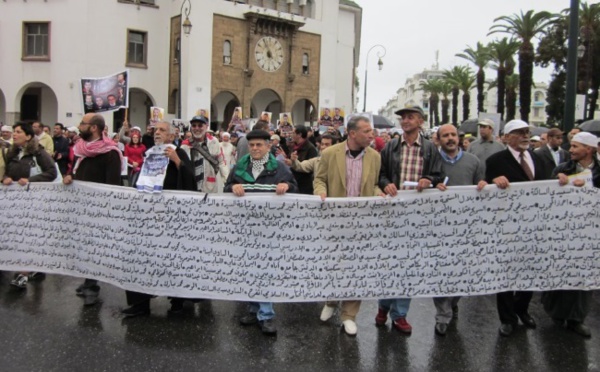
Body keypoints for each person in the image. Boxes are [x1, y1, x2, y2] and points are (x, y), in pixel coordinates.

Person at [314, 116, 385, 336]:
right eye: (366, 131)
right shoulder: (329, 153)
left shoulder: (375, 157)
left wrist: (378, 194)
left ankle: (349, 315)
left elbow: (373, 185)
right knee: (334, 263)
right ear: (352, 133)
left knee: (357, 268)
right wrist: (320, 192)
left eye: (371, 131)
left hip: (361, 223)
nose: (371, 135)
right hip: (335, 221)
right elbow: (319, 179)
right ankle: (331, 300)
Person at [377, 105, 444, 335]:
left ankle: (400, 314)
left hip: (417, 216)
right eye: (403, 117)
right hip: (392, 214)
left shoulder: (430, 149)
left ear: (420, 121)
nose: (405, 121)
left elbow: (438, 175)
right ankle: (383, 306)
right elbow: (381, 174)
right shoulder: (391, 146)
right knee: (389, 264)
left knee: (407, 266)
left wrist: (429, 179)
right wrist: (386, 184)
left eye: (410, 117)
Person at [224, 129, 298, 335]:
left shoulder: (280, 168)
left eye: (259, 145)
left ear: (268, 146)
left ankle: (266, 315)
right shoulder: (239, 167)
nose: (255, 149)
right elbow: (226, 188)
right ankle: (253, 308)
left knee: (265, 270)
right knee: (249, 269)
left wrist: (287, 186)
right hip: (246, 228)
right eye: (252, 145)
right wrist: (233, 188)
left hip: (269, 229)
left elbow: (295, 188)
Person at [122, 121, 196, 317]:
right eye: (156, 130)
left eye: (162, 130)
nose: (157, 133)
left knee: (173, 260)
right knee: (142, 257)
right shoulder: (150, 154)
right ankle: (140, 303)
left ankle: (177, 302)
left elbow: (191, 181)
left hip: (171, 218)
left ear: (172, 136)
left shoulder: (179, 153)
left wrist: (176, 161)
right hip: (149, 215)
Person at [485, 119, 548, 337]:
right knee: (506, 272)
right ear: (508, 137)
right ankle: (508, 318)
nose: (525, 136)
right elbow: (484, 187)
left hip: (533, 225)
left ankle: (522, 309)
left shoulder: (538, 159)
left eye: (527, 132)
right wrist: (493, 181)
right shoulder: (496, 160)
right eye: (520, 132)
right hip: (507, 226)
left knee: (528, 269)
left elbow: (547, 185)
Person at [541, 132, 600, 338]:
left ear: (589, 149)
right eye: (571, 146)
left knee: (584, 278)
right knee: (560, 272)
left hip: (590, 235)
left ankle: (576, 319)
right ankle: (556, 313)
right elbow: (547, 197)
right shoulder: (562, 169)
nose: (571, 150)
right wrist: (559, 183)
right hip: (563, 232)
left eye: (575, 146)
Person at [433, 124, 487, 336]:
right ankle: (443, 315)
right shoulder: (433, 161)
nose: (450, 138)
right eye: (445, 135)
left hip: (465, 227)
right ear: (439, 139)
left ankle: (453, 301)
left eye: (453, 135)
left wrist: (483, 185)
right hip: (439, 227)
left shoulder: (474, 162)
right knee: (441, 271)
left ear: (459, 137)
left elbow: (480, 185)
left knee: (461, 271)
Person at [63, 113, 122, 306]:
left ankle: (92, 287)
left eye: (83, 123)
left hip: (97, 211)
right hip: (80, 207)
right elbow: (76, 169)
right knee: (82, 246)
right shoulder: (81, 149)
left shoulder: (110, 153)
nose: (79, 126)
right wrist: (69, 176)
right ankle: (87, 280)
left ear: (94, 128)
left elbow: (112, 185)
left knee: (93, 248)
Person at [2, 122, 57, 289]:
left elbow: (51, 173)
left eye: (18, 132)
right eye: (13, 131)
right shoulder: (12, 153)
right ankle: (35, 266)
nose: (14, 134)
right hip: (16, 204)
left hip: (35, 202)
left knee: (29, 236)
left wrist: (30, 181)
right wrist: (6, 178)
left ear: (28, 136)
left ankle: (23, 273)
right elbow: (8, 171)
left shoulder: (38, 152)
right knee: (17, 236)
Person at [182, 115, 229, 193]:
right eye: (194, 126)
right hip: (191, 188)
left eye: (200, 125)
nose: (197, 128)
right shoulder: (185, 145)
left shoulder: (214, 142)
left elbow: (221, 162)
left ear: (206, 127)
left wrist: (227, 182)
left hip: (210, 187)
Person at [288, 125, 319, 194]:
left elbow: (311, 167)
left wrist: (293, 163)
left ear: (299, 135)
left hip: (305, 184)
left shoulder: (310, 148)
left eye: (293, 133)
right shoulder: (294, 146)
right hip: (294, 181)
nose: (291, 135)